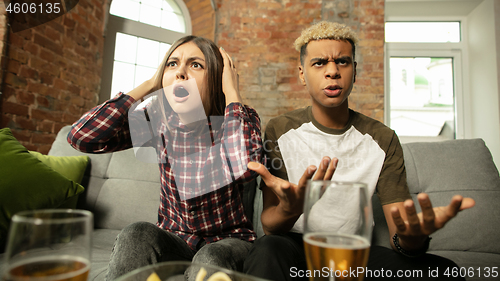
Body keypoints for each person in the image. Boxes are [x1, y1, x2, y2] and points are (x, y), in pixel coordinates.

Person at [243, 21, 475, 280]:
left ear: (355, 71)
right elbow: (269, 225)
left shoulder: (383, 138)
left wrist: (413, 238)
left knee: (444, 272)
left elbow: (400, 231)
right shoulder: (280, 130)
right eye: (319, 63)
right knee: (267, 248)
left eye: (343, 61)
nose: (332, 71)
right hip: (297, 250)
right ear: (301, 73)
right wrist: (292, 208)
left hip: (355, 254)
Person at [67, 36, 264, 280]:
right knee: (136, 234)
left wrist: (231, 91)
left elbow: (245, 169)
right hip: (176, 238)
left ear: (216, 78)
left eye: (195, 65)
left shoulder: (239, 118)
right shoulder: (155, 120)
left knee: (209, 259)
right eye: (172, 64)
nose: (180, 72)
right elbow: (82, 137)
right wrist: (151, 83)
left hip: (228, 242)